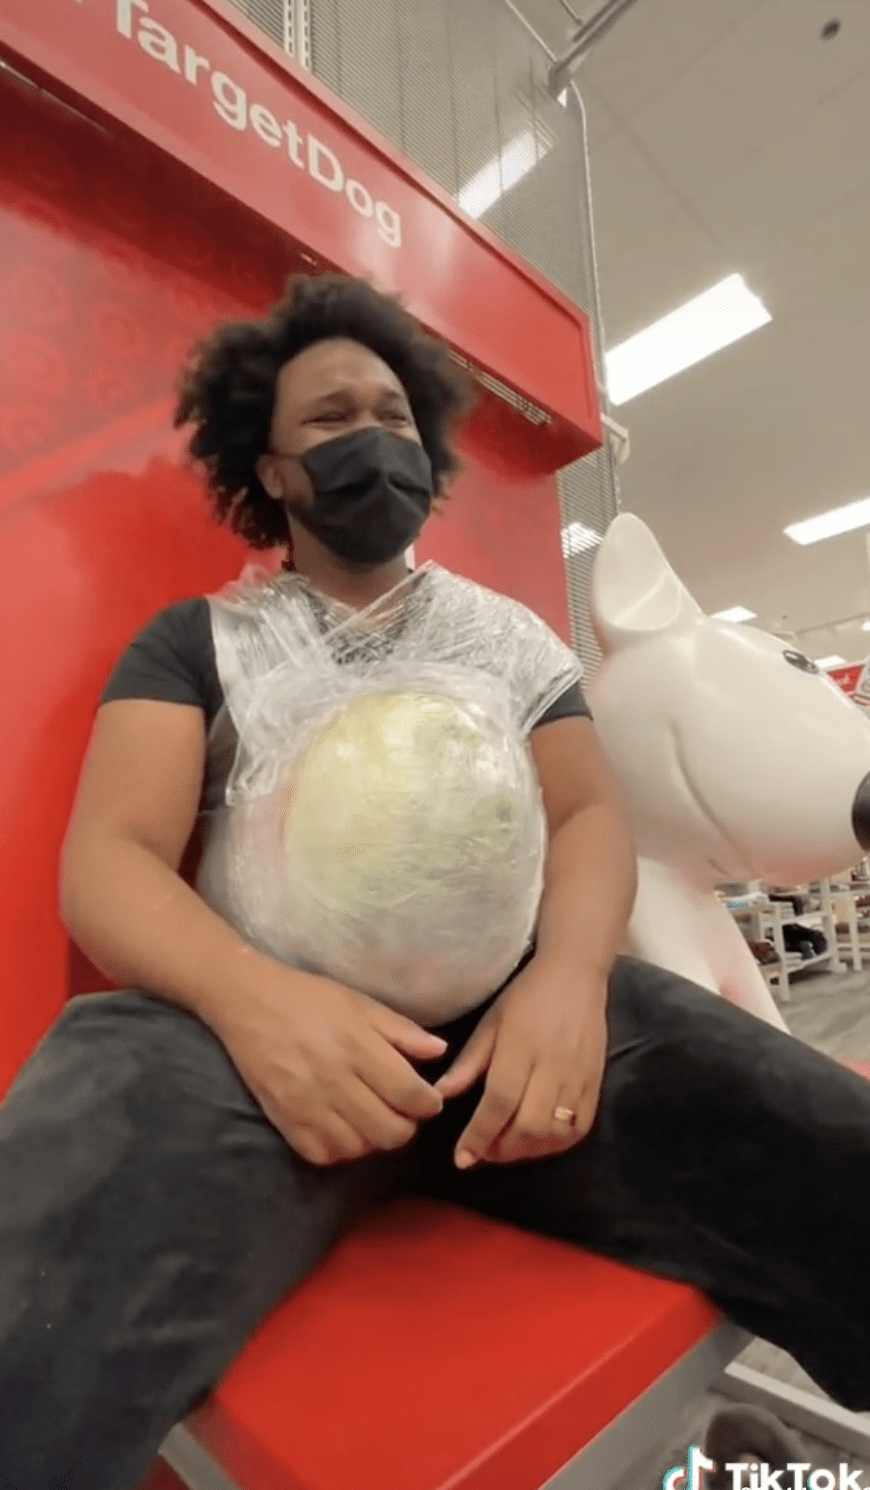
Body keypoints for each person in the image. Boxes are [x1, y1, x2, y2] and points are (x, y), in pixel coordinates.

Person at [1, 273, 869, 1490]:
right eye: (332, 420)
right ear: (277, 470)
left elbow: (588, 814)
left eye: (397, 416)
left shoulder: (511, 637)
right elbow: (110, 861)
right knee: (39, 1253)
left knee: (830, 1151)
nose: (377, 438)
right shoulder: (195, 642)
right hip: (263, 1045)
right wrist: (254, 1003)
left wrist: (571, 980)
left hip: (518, 1039)